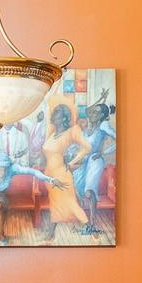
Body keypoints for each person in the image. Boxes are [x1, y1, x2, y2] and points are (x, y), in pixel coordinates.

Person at [41, 101, 92, 230]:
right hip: (49, 175)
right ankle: (51, 236)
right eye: (53, 113)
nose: (53, 116)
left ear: (64, 118)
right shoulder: (51, 134)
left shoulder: (71, 131)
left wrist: (72, 162)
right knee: (55, 205)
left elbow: (87, 147)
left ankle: (91, 229)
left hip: (61, 174)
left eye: (57, 113)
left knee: (71, 204)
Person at [75, 101, 117, 235]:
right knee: (79, 191)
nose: (92, 113)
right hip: (84, 162)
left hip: (95, 161)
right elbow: (87, 110)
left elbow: (119, 138)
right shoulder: (88, 127)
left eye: (96, 112)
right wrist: (100, 99)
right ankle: (85, 224)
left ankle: (92, 224)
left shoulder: (103, 127)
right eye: (93, 111)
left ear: (102, 116)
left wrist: (103, 152)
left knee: (89, 192)